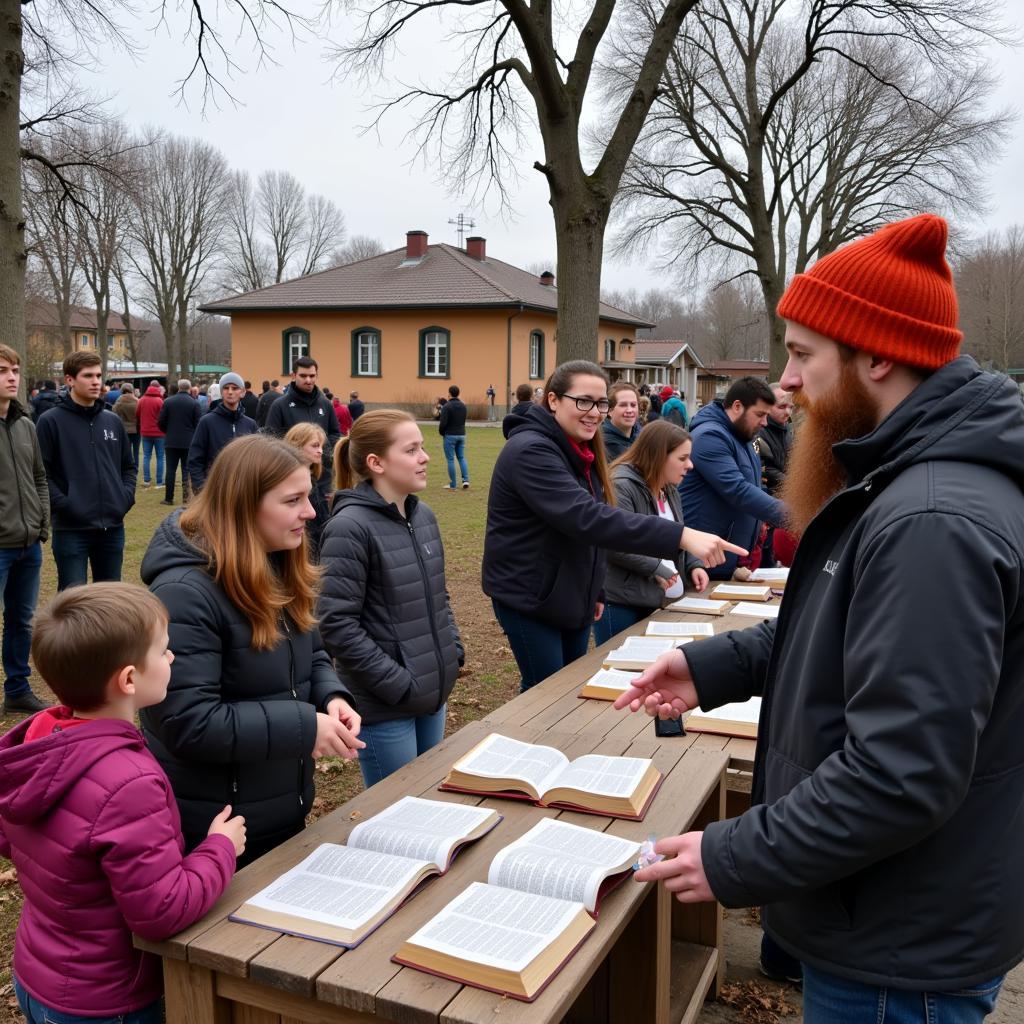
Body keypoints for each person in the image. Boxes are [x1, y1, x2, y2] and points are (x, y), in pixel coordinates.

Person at [616, 214, 1024, 1024]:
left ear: (877, 353)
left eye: (802, 354)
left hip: (896, 947)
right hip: (895, 915)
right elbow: (847, 632)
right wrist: (715, 665)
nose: (787, 382)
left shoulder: (931, 518)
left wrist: (736, 853)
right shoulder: (905, 480)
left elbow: (901, 773)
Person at [0, 583, 244, 1024]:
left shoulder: (37, 744)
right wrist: (219, 848)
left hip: (39, 978)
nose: (172, 659)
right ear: (129, 679)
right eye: (164, 651)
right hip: (104, 1002)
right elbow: (160, 911)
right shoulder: (129, 782)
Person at [140, 435, 363, 864]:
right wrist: (305, 725)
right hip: (215, 831)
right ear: (244, 506)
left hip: (277, 811)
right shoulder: (185, 593)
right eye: (293, 500)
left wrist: (331, 696)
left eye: (309, 495)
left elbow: (311, 652)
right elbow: (188, 722)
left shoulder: (276, 560)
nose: (311, 512)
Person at [483, 360, 744, 691]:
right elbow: (587, 518)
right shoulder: (531, 451)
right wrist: (681, 535)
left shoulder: (580, 448)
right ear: (553, 400)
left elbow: (590, 528)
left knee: (567, 689)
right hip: (531, 596)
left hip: (572, 593)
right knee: (544, 693)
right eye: (583, 401)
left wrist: (595, 587)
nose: (594, 412)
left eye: (601, 402)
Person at [318, 411, 462, 786]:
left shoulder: (424, 515)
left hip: (432, 694)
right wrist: (398, 684)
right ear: (376, 463)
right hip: (387, 707)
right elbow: (336, 623)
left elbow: (438, 595)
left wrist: (452, 652)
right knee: (397, 813)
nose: (425, 457)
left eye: (423, 447)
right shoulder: (349, 528)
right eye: (411, 449)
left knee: (427, 797)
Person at [594, 420, 709, 644]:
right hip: (621, 602)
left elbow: (677, 533)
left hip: (656, 599)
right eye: (682, 458)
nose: (690, 465)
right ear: (658, 456)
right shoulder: (621, 485)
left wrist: (694, 564)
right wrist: (656, 567)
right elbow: (613, 542)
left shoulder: (669, 487)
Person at [36, 351, 136, 591]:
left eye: (99, 375)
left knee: (110, 601)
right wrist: (67, 505)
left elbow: (128, 467)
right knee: (73, 605)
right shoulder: (50, 421)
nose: (96, 381)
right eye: (88, 375)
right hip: (71, 530)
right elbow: (41, 474)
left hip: (111, 528)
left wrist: (123, 498)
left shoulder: (112, 421)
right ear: (70, 380)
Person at [679, 376, 786, 579]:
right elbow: (738, 490)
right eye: (760, 414)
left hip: (726, 560)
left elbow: (754, 485)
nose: (765, 422)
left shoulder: (743, 435)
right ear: (737, 406)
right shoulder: (709, 437)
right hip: (704, 562)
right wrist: (792, 518)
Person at [0, 345, 50, 715]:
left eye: (15, 369)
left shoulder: (25, 424)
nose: (12, 377)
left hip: (28, 544)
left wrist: (41, 524)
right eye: (3, 370)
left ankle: (17, 689)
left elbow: (39, 479)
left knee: (21, 619)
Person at [265, 357, 341, 494]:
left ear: (317, 376)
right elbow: (271, 440)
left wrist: (325, 453)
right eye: (303, 376)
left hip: (323, 478)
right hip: (292, 476)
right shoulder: (279, 406)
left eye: (312, 376)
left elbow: (335, 434)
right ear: (293, 376)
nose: (308, 380)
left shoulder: (325, 404)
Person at [187, 372, 258, 493]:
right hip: (214, 491)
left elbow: (257, 461)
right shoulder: (207, 422)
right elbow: (195, 459)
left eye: (235, 388)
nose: (230, 392)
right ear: (221, 392)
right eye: (226, 388)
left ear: (243, 392)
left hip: (243, 491)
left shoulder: (250, 424)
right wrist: (201, 490)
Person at [754, 383, 794, 569]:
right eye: (781, 406)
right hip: (766, 507)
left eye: (791, 407)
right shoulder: (759, 432)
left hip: (785, 506)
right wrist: (795, 484)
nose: (787, 412)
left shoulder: (788, 431)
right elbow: (765, 469)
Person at [283, 423, 331, 560]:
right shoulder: (287, 481)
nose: (320, 451)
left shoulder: (316, 477)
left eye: (321, 446)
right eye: (315, 446)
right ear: (297, 445)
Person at [158, 378, 200, 507]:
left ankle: (168, 498)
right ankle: (186, 498)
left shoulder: (168, 402)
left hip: (171, 440)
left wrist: (168, 431)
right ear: (189, 388)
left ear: (178, 387)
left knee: (170, 470)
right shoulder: (194, 403)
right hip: (188, 442)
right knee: (186, 471)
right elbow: (198, 424)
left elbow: (160, 421)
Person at [438, 383, 469, 490]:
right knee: (461, 457)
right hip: (462, 434)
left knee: (451, 459)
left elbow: (443, 423)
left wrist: (442, 433)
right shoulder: (463, 406)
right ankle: (466, 480)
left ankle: (453, 485)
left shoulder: (447, 406)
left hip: (450, 435)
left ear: (449, 394)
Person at [136, 380, 165, 489]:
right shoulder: (160, 401)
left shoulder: (141, 400)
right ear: (158, 388)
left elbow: (137, 414)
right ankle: (159, 482)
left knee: (146, 456)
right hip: (159, 433)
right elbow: (163, 416)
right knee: (160, 457)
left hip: (145, 432)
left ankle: (147, 480)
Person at [600, 381, 640, 460]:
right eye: (623, 405)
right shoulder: (603, 444)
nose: (629, 410)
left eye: (633, 405)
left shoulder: (642, 435)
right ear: (610, 411)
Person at [112, 382, 140, 468]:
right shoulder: (137, 401)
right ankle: (136, 466)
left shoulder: (119, 401)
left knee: (124, 450)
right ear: (132, 390)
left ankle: (125, 466)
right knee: (136, 450)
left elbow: (114, 414)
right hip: (136, 429)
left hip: (123, 429)